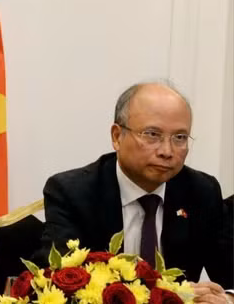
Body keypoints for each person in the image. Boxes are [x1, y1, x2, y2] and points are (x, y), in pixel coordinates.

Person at [40, 81, 233, 302]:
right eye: (152, 134)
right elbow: (60, 282)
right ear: (116, 136)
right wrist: (172, 295)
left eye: (179, 138)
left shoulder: (201, 191)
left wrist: (226, 298)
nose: (167, 151)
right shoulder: (72, 193)